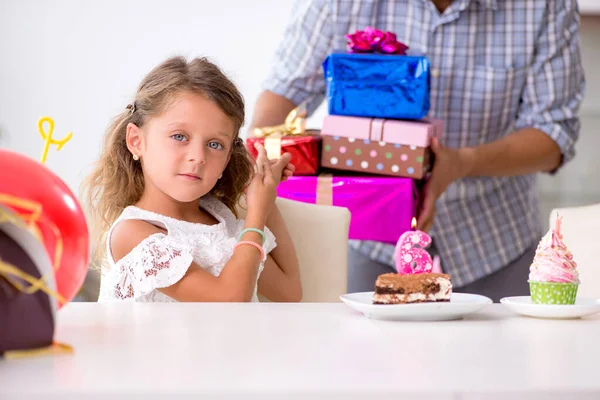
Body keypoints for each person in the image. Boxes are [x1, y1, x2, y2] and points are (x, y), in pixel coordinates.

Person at [249, 0, 585, 301]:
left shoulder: (543, 6)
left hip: (495, 243)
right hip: (369, 241)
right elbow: (281, 97)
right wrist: (258, 173)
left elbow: (554, 134)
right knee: (365, 368)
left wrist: (462, 163)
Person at [84, 56, 302, 302]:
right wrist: (256, 217)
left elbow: (289, 291)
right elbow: (228, 303)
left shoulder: (222, 219)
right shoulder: (132, 232)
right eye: (179, 137)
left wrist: (264, 196)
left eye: (214, 144)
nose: (198, 157)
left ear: (229, 156)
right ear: (136, 141)